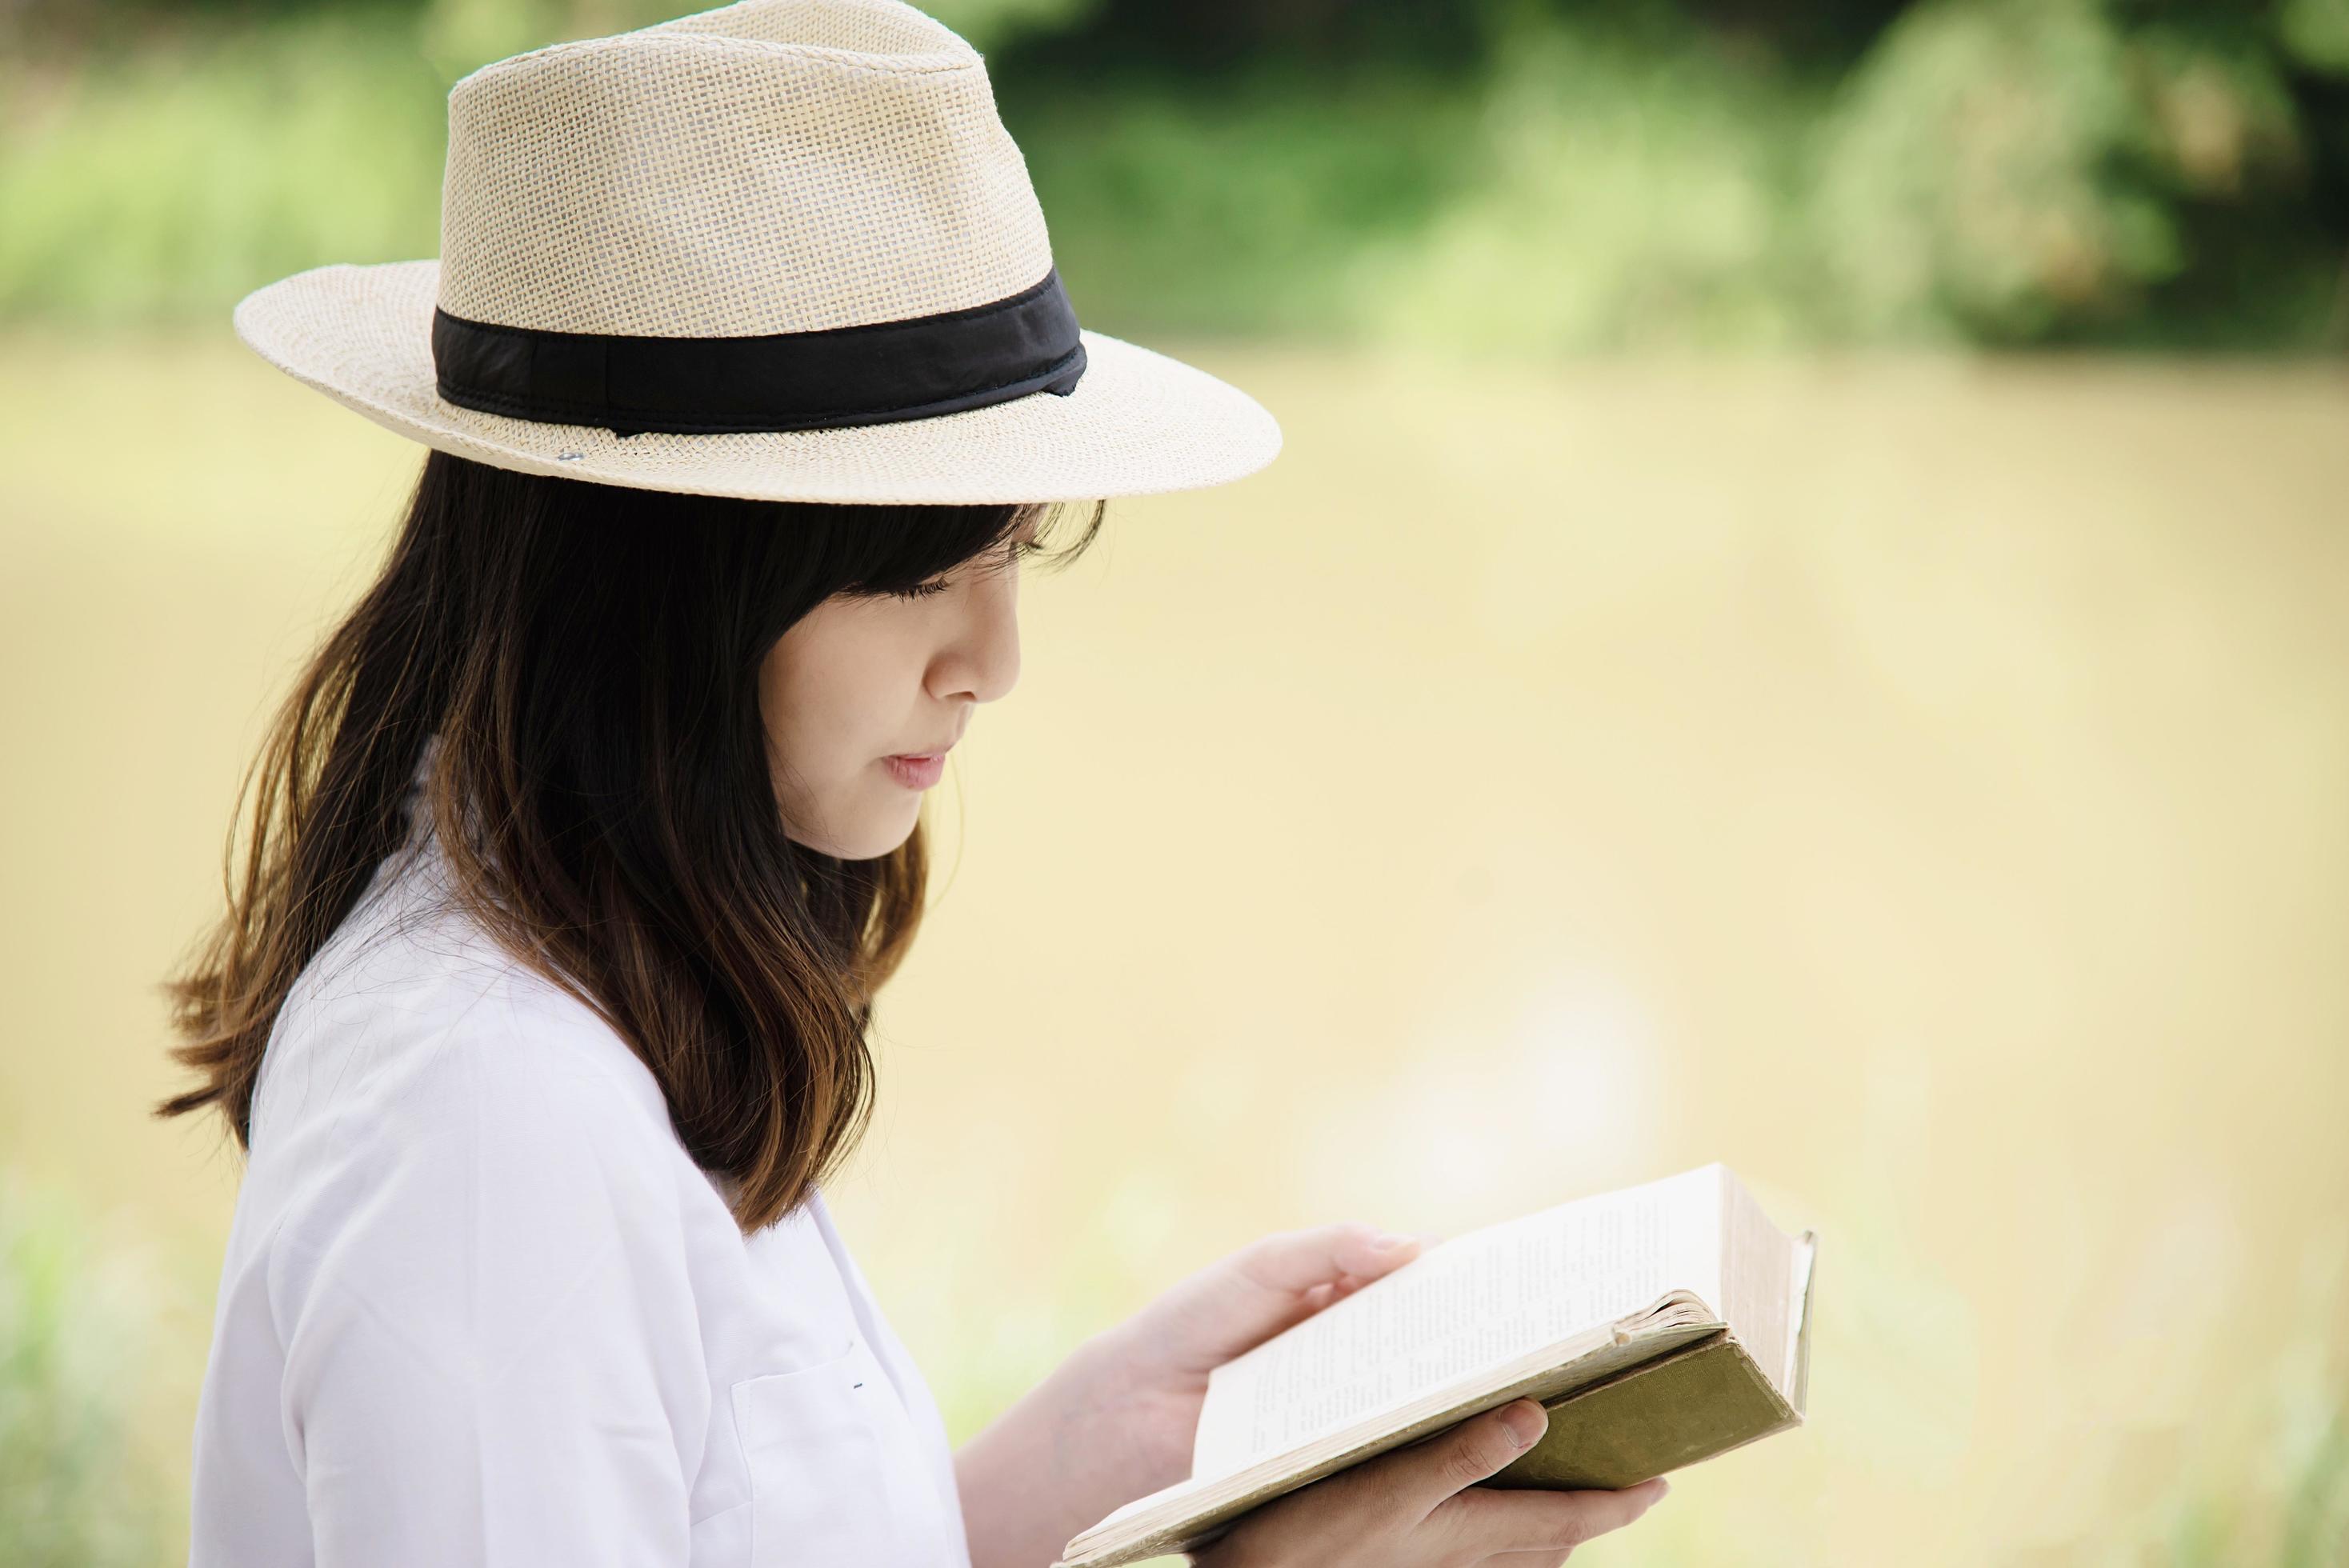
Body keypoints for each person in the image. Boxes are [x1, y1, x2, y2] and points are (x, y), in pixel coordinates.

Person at [160, 2, 1673, 1564]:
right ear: (660, 577)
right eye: (916, 569)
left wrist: (1083, 1458)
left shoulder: (607, 965)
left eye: (1012, 549)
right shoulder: (493, 1126)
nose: (994, 657)